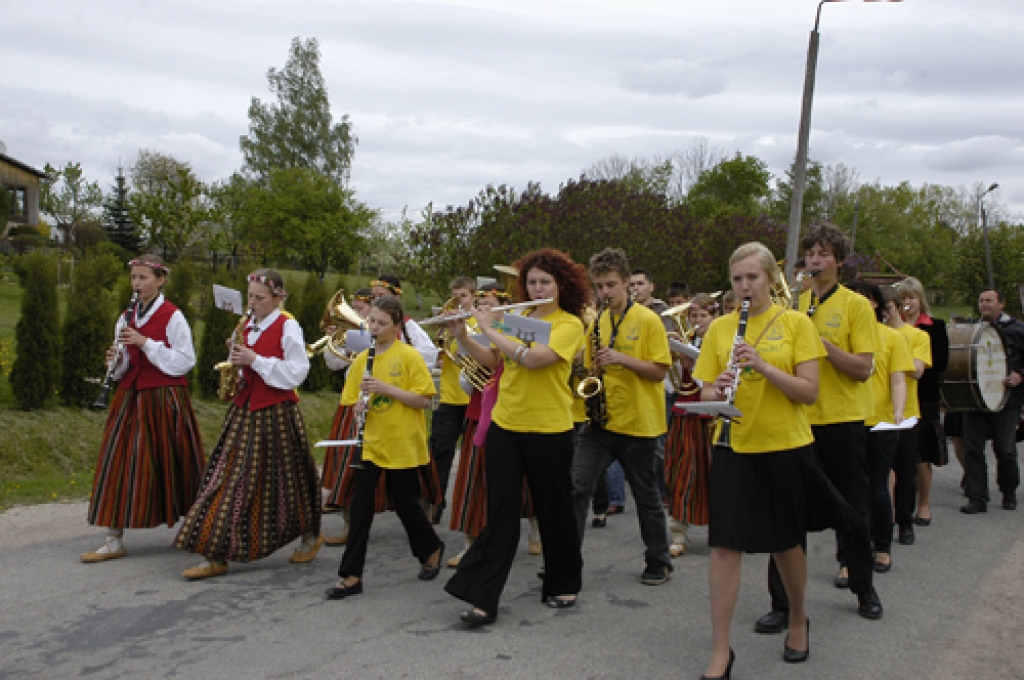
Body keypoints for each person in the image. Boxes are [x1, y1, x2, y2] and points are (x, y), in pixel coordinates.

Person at [693, 242, 824, 678]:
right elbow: (706, 392)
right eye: (737, 279)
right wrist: (720, 385)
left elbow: (809, 391)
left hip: (784, 445)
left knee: (786, 543)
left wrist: (763, 367)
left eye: (752, 277)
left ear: (770, 278)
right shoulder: (719, 329)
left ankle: (799, 617)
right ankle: (720, 652)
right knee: (725, 548)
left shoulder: (795, 324)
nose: (744, 287)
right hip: (733, 445)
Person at [445, 248, 587, 626]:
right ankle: (483, 597)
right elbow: (496, 360)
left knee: (553, 509)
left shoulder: (569, 324)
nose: (536, 286)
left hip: (549, 428)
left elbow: (535, 359)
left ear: (561, 285)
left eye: (545, 281)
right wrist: (463, 336)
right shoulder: (517, 316)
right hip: (506, 426)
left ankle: (564, 581)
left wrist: (489, 326)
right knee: (500, 513)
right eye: (531, 281)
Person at [174, 269, 323, 579]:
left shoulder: (288, 326)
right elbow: (246, 366)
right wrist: (237, 358)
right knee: (228, 478)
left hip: (276, 414)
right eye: (251, 296)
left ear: (279, 298)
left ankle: (310, 534)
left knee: (291, 480)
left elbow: (297, 372)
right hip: (244, 411)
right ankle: (216, 552)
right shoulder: (248, 325)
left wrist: (255, 360)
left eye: (260, 298)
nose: (253, 303)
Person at [82, 255, 205, 563]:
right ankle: (113, 537)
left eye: (144, 277)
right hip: (129, 398)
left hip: (164, 398)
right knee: (118, 461)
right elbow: (124, 365)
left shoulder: (173, 315)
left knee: (177, 462)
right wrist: (117, 360)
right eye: (134, 278)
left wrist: (146, 343)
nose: (137, 283)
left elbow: (185, 360)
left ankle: (198, 528)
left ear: (160, 279)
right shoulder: (126, 316)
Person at [325, 296, 445, 599]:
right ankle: (351, 575)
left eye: (381, 323)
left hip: (402, 442)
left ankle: (431, 547)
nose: (374, 328)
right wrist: (358, 407)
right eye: (372, 322)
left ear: (396, 325)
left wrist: (386, 389)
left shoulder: (409, 357)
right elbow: (351, 400)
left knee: (406, 504)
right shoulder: (362, 358)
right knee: (360, 507)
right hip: (370, 444)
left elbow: (425, 400)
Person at [571, 248, 673, 585]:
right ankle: (566, 560)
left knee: (646, 496)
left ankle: (658, 561)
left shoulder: (648, 320)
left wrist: (622, 359)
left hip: (638, 423)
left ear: (627, 282)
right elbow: (589, 364)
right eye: (599, 286)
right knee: (576, 487)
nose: (605, 293)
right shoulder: (598, 320)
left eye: (611, 285)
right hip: (601, 420)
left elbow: (659, 372)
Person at [446, 284, 542, 567]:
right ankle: (470, 544)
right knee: (472, 483)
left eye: (487, 304)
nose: (482, 310)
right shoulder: (476, 327)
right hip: (479, 412)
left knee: (523, 481)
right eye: (480, 304)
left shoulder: (516, 326)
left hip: (514, 412)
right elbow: (469, 379)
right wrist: (462, 339)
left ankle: (535, 532)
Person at [848, 281, 913, 573]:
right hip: (849, 419)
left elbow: (898, 378)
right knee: (849, 492)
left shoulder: (892, 338)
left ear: (874, 304)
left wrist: (898, 410)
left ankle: (883, 546)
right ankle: (848, 557)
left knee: (877, 488)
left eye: (863, 298)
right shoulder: (842, 338)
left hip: (882, 423)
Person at [961, 288, 1024, 514]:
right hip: (976, 398)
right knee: (973, 449)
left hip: (1008, 400)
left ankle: (1008, 491)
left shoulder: (1018, 330)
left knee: (1005, 449)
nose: (985, 304)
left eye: (989, 301)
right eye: (981, 301)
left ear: (1002, 304)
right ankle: (977, 497)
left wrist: (1020, 374)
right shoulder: (971, 330)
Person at [664, 293, 717, 558]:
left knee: (714, 473)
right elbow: (673, 385)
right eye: (693, 316)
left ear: (713, 317)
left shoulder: (721, 342)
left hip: (710, 415)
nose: (697, 321)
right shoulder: (687, 341)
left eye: (703, 316)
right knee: (682, 471)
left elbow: (716, 384)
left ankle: (721, 530)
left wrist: (696, 366)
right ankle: (677, 532)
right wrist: (676, 359)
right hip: (684, 411)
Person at [895, 276, 949, 524]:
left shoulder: (933, 327)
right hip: (897, 396)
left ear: (920, 300)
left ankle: (924, 503)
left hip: (924, 396)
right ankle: (898, 505)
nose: (907, 303)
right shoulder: (892, 328)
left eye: (911, 298)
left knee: (921, 456)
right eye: (903, 298)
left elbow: (940, 362)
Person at [320, 288, 372, 543]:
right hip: (351, 401)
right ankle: (350, 525)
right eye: (352, 308)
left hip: (379, 403)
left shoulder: (398, 332)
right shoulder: (351, 333)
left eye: (359, 309)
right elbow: (334, 364)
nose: (353, 314)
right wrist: (336, 342)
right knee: (347, 463)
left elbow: (423, 355)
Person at [883, 287, 930, 545]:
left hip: (907, 412)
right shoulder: (875, 335)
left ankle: (905, 521)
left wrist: (895, 357)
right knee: (880, 472)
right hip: (877, 413)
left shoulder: (916, 336)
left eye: (888, 308)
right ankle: (883, 522)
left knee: (904, 469)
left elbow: (918, 370)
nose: (884, 314)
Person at [429, 276, 476, 525]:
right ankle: (435, 504)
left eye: (464, 296)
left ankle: (473, 507)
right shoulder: (446, 325)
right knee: (439, 451)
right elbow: (438, 355)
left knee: (476, 455)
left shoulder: (480, 323)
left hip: (474, 397)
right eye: (455, 296)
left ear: (473, 297)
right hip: (449, 396)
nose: (459, 301)